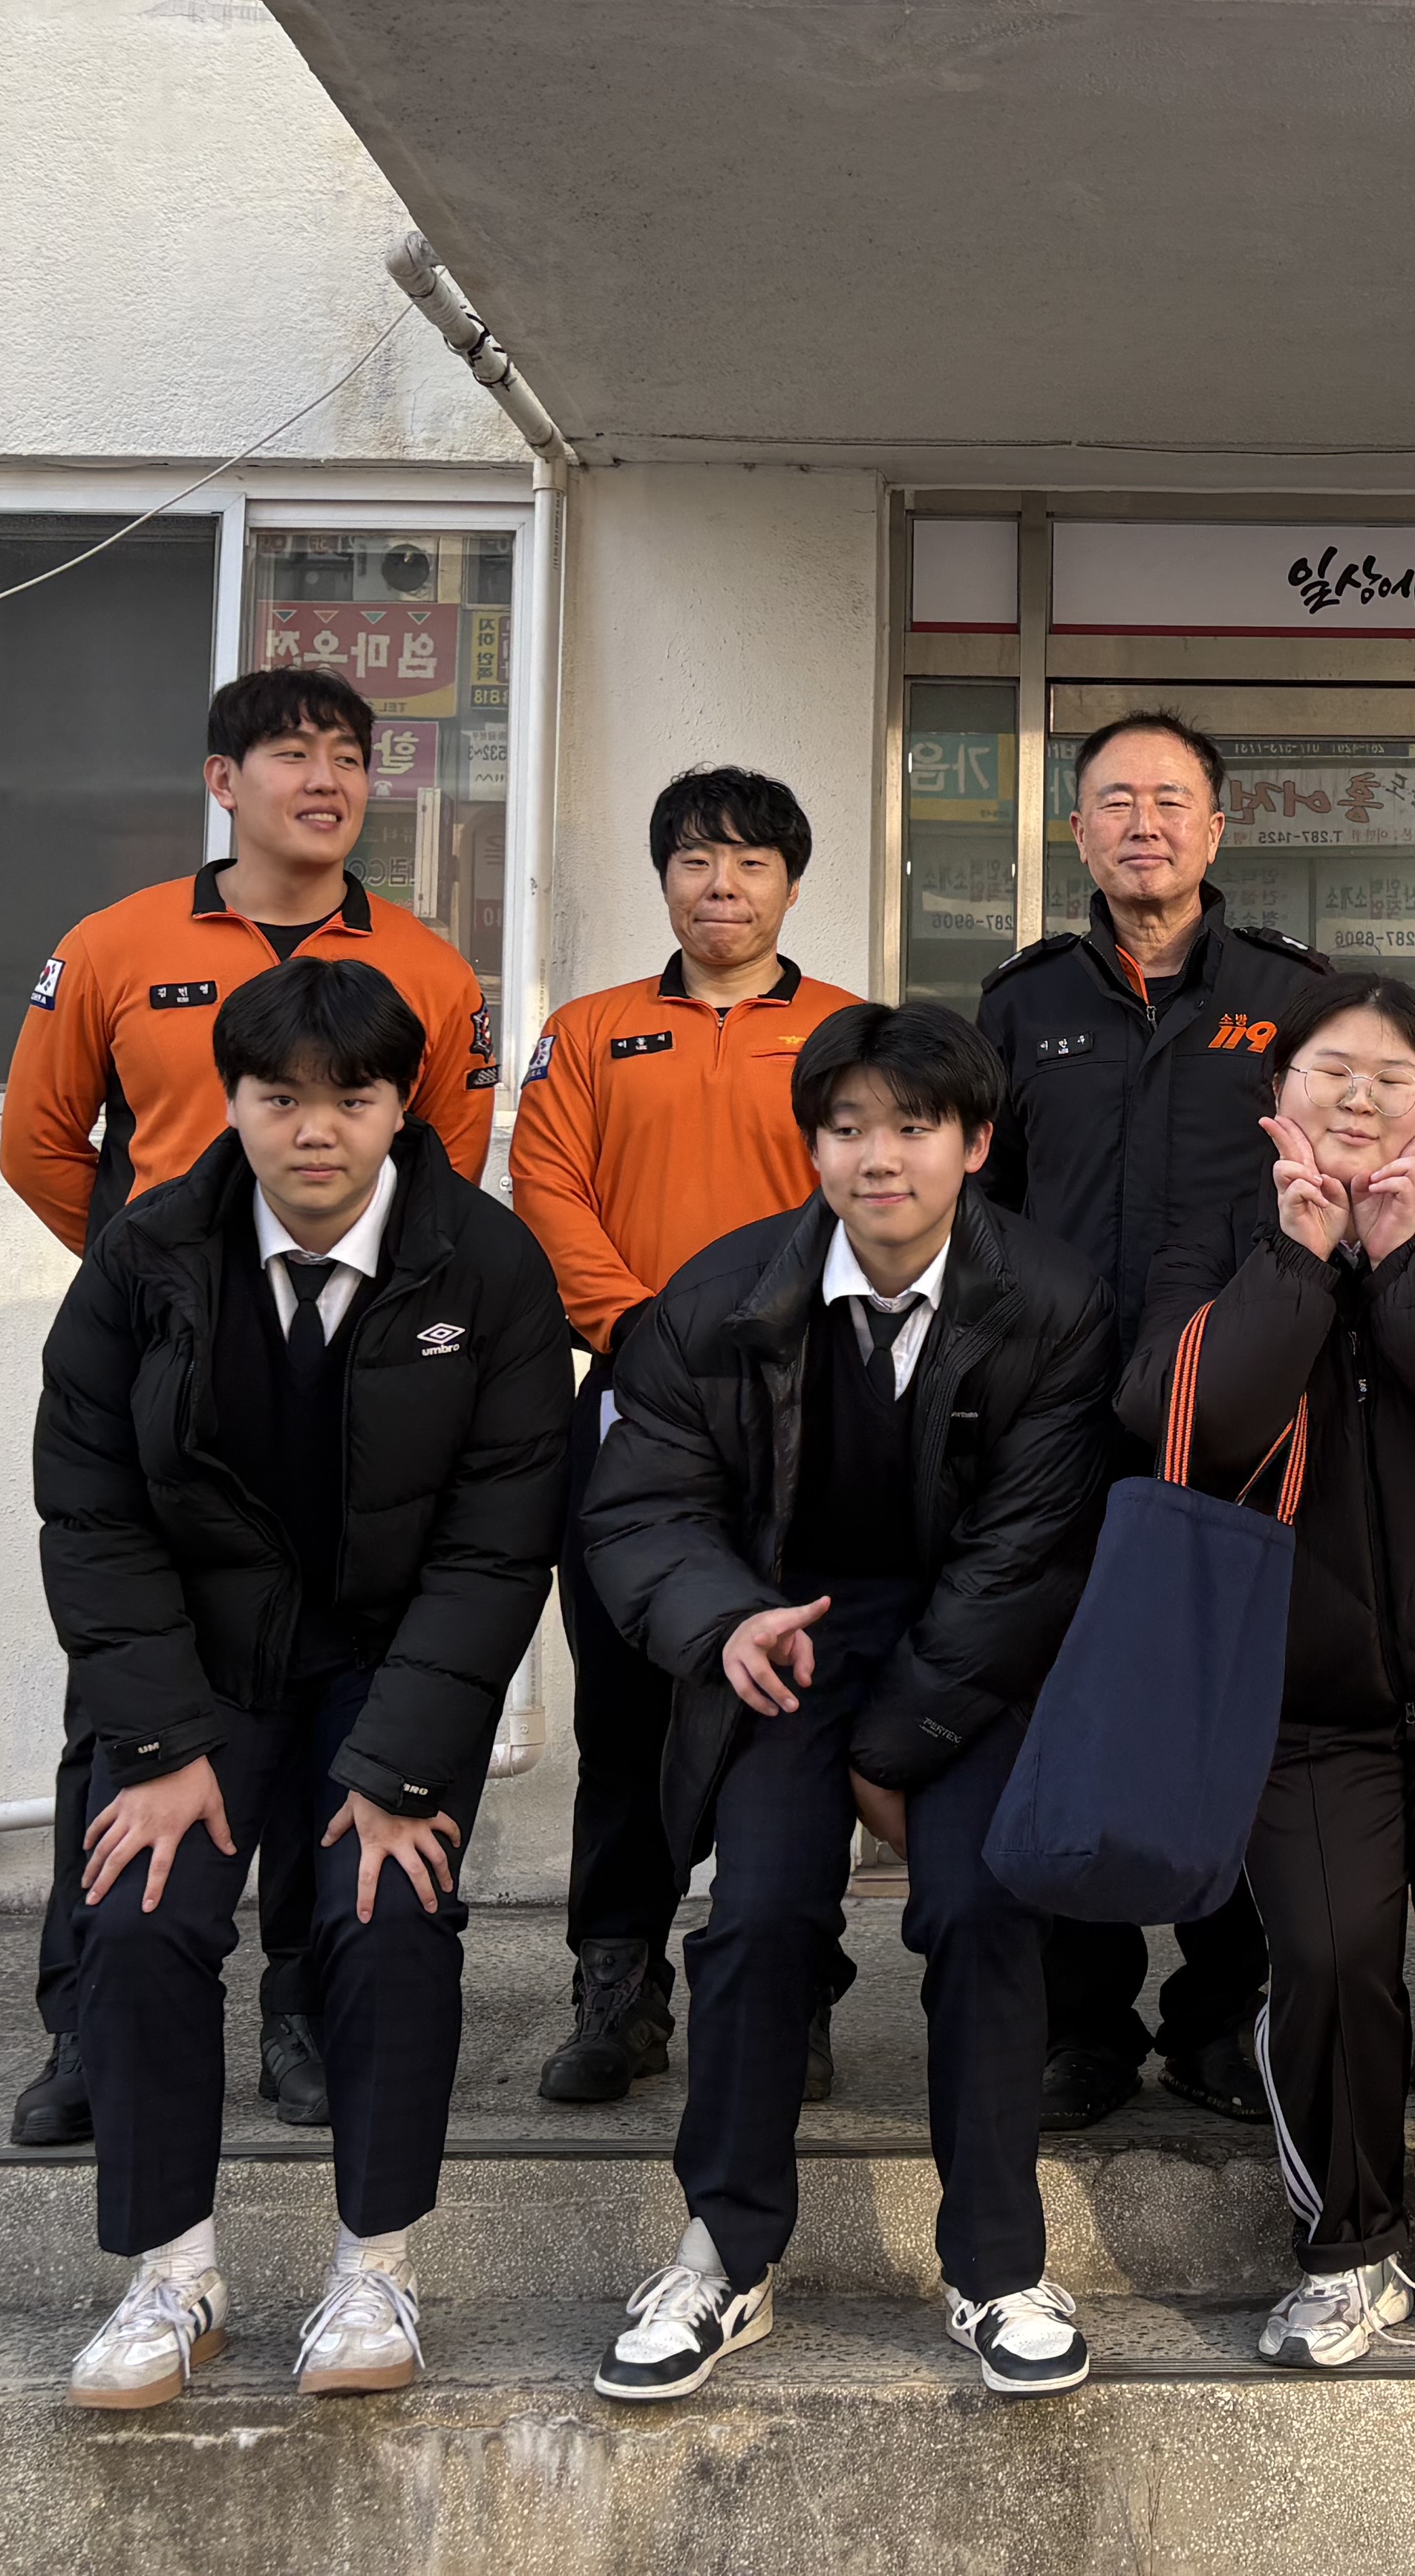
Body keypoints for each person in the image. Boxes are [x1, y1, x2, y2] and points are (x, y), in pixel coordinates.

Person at [33, 958, 565, 2408]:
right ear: (238, 1101)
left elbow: (502, 1535)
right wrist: (151, 1742)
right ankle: (171, 2276)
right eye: (280, 1098)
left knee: (387, 1919)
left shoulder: (489, 1268)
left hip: (391, 1667)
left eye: (353, 1097)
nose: (314, 1130)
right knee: (136, 1918)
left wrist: (399, 1768)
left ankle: (375, 2273)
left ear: (404, 1106)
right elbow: (90, 1508)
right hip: (197, 1675)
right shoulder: (145, 1259)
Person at [581, 1003, 1118, 2406]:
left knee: (984, 1912)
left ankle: (999, 2267)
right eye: (848, 1128)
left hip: (971, 1652)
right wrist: (725, 1620)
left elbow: (1032, 1548)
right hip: (787, 1630)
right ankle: (724, 2253)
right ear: (810, 1143)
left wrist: (895, 1750)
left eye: (915, 1128)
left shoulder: (1052, 1301)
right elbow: (641, 1510)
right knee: (757, 1918)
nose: (880, 1158)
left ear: (976, 1145)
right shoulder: (716, 1297)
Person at [0, 667, 503, 2150]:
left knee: (338, 1681)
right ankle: (96, 2021)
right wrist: (149, 1293)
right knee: (132, 1699)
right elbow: (41, 1144)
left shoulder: (426, 968)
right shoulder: (114, 945)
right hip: (179, 1387)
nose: (326, 781)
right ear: (225, 780)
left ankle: (301, 2005)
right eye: (294, 755)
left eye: (350, 758)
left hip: (361, 1384)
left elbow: (447, 1173)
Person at [1117, 975, 1415, 2370]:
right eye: (1332, 1071)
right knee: (1328, 1959)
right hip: (1302, 1703)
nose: (1360, 1098)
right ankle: (1350, 2252)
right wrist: (1293, 1262)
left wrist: (1399, 1260)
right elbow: (1184, 1429)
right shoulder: (1221, 1240)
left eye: (1395, 1077)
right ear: (1278, 1101)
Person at [978, 709, 1329, 2129]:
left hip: (1228, 1412)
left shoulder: (1291, 996)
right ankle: (1085, 2025)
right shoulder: (1022, 1003)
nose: (1144, 824)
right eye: (1114, 800)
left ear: (1218, 826)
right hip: (1060, 1414)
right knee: (1070, 1705)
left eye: (1171, 800)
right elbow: (982, 1209)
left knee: (1229, 1708)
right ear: (1077, 831)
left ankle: (1223, 2015)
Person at [509, 764, 863, 2110]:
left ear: (790, 882)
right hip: (636, 1405)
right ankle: (618, 1982)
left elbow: (881, 1193)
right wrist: (639, 1327)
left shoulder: (847, 1030)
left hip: (811, 1407)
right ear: (664, 877)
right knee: (629, 1709)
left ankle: (788, 1981)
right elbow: (545, 1184)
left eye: (753, 864)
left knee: (797, 1704)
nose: (725, 887)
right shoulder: (593, 1033)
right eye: (699, 861)